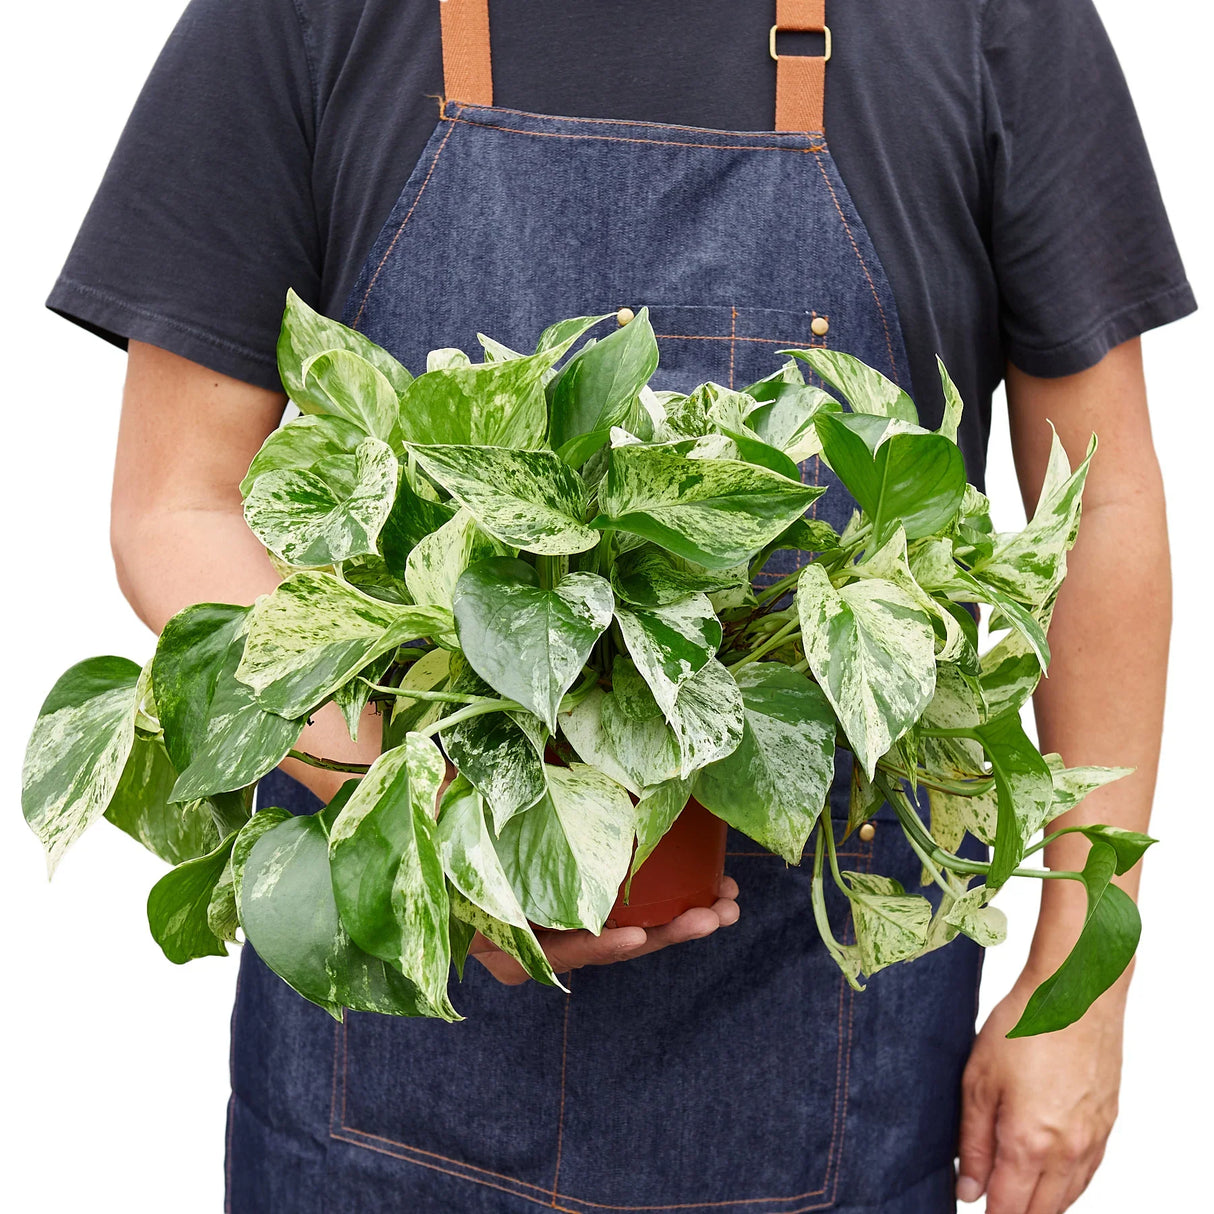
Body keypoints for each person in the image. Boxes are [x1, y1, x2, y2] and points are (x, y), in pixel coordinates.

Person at [48, 1, 1192, 1211]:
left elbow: (1098, 508)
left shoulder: (983, 20)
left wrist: (1082, 986)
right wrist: (438, 833)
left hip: (814, 1059)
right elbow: (176, 500)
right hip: (389, 1073)